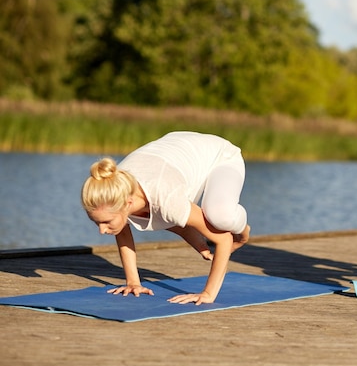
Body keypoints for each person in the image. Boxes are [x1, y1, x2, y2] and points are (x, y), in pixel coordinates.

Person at [81, 131, 250, 306]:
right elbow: (123, 231)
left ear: (128, 203)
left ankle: (241, 226)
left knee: (220, 216)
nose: (101, 230)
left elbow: (223, 239)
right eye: (96, 222)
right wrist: (133, 283)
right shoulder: (115, 188)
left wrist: (208, 294)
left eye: (106, 222)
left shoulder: (166, 197)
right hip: (177, 154)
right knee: (160, 214)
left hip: (220, 156)